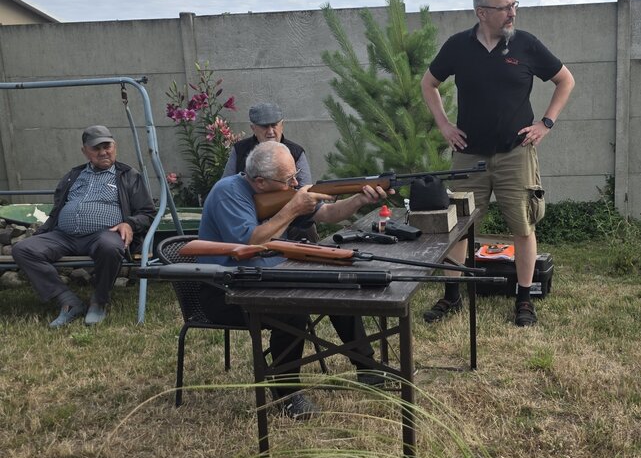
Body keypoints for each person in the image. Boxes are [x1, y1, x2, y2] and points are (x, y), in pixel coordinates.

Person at [421, 0, 575, 327]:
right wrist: (444, 125)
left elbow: (565, 80)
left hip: (515, 154)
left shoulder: (526, 44)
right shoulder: (458, 47)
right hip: (468, 156)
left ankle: (524, 298)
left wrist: (546, 123)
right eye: (505, 7)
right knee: (458, 228)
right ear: (482, 12)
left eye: (514, 4)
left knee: (523, 226)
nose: (512, 12)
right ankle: (452, 295)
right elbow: (428, 83)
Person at [197, 140, 389, 419]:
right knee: (292, 307)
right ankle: (286, 393)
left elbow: (328, 213)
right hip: (226, 290)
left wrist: (360, 198)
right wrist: (293, 208)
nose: (296, 183)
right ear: (260, 182)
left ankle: (366, 366)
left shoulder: (279, 191)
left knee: (335, 280)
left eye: (295, 176)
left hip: (268, 278)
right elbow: (250, 244)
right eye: (289, 179)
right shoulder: (227, 193)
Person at [12, 124, 155, 327]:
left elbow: (147, 212)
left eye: (107, 146)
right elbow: (57, 208)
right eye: (96, 148)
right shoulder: (74, 175)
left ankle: (99, 301)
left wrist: (129, 223)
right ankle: (68, 300)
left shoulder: (128, 175)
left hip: (103, 234)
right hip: (63, 236)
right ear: (85, 151)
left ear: (114, 146)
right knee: (23, 249)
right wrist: (43, 232)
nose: (103, 152)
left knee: (110, 246)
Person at [222, 102, 315, 240]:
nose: (270, 131)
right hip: (247, 214)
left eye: (274, 125)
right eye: (264, 126)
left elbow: (304, 190)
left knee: (307, 229)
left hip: (290, 219)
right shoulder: (240, 149)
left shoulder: (296, 151)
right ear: (253, 128)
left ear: (282, 125)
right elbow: (227, 187)